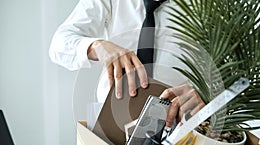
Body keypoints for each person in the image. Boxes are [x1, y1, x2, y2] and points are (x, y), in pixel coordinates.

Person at [49, 0, 204, 127]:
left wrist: (205, 95)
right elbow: (58, 45)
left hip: (179, 123)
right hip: (111, 123)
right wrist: (97, 46)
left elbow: (224, 70)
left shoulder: (207, 6)